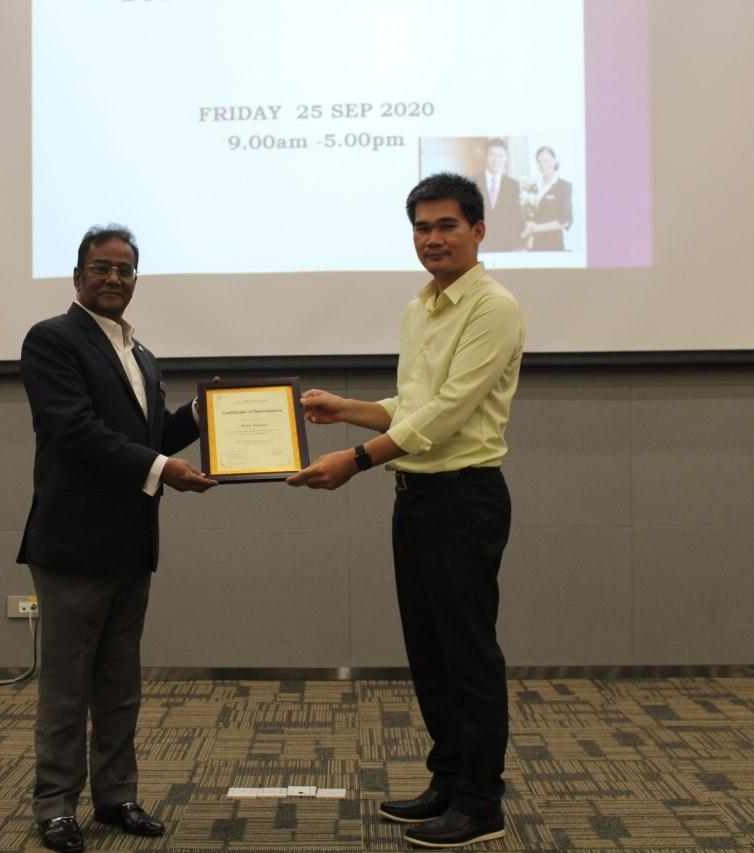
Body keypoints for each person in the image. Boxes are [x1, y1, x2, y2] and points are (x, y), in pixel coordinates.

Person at [287, 173, 524, 848]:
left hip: (464, 498)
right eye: (422, 227)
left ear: (478, 230)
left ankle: (480, 803)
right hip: (417, 498)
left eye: (447, 225)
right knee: (430, 653)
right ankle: (448, 781)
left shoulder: (493, 308)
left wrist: (357, 459)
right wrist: (348, 410)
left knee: (468, 655)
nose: (433, 238)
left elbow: (447, 415)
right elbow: (413, 404)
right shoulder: (421, 306)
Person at [17, 224, 217, 852]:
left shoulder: (142, 354)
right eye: (101, 268)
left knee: (119, 684)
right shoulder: (51, 339)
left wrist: (204, 414)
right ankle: (55, 805)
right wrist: (162, 470)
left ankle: (116, 797)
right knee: (66, 685)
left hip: (132, 541)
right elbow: (75, 429)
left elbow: (149, 437)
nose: (113, 278)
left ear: (136, 280)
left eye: (124, 269)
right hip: (73, 544)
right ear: (78, 276)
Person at [475, 139, 525, 251]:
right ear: (485, 156)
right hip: (479, 244)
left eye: (501, 155)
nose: (496, 160)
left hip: (506, 244)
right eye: (492, 155)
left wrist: (520, 239)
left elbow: (516, 216)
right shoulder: (474, 181)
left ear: (506, 158)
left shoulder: (513, 185)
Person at [521, 145, 573, 251]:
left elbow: (565, 221)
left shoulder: (563, 186)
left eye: (546, 161)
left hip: (553, 243)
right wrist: (529, 234)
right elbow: (529, 214)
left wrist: (536, 229)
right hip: (533, 244)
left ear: (554, 161)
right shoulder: (533, 185)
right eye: (539, 162)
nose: (543, 165)